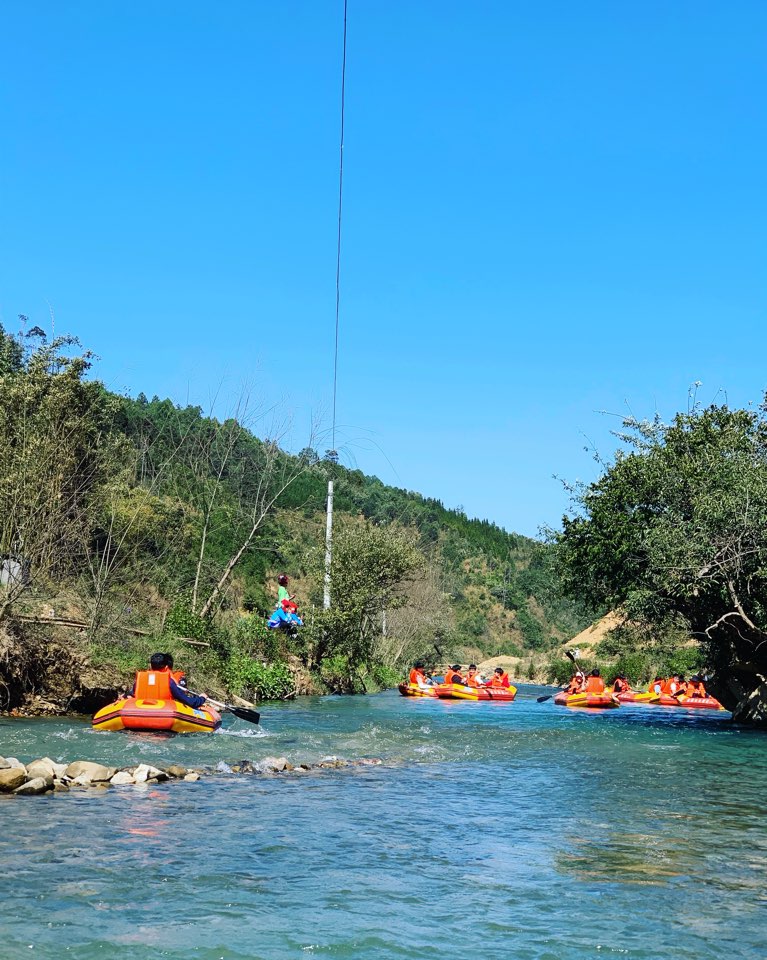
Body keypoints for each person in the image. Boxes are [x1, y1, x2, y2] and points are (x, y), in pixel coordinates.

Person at [133, 653, 206, 709]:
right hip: (163, 712)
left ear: (151, 666)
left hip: (140, 710)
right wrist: (201, 698)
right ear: (166, 667)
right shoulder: (169, 682)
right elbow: (189, 702)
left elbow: (130, 695)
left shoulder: (140, 680)